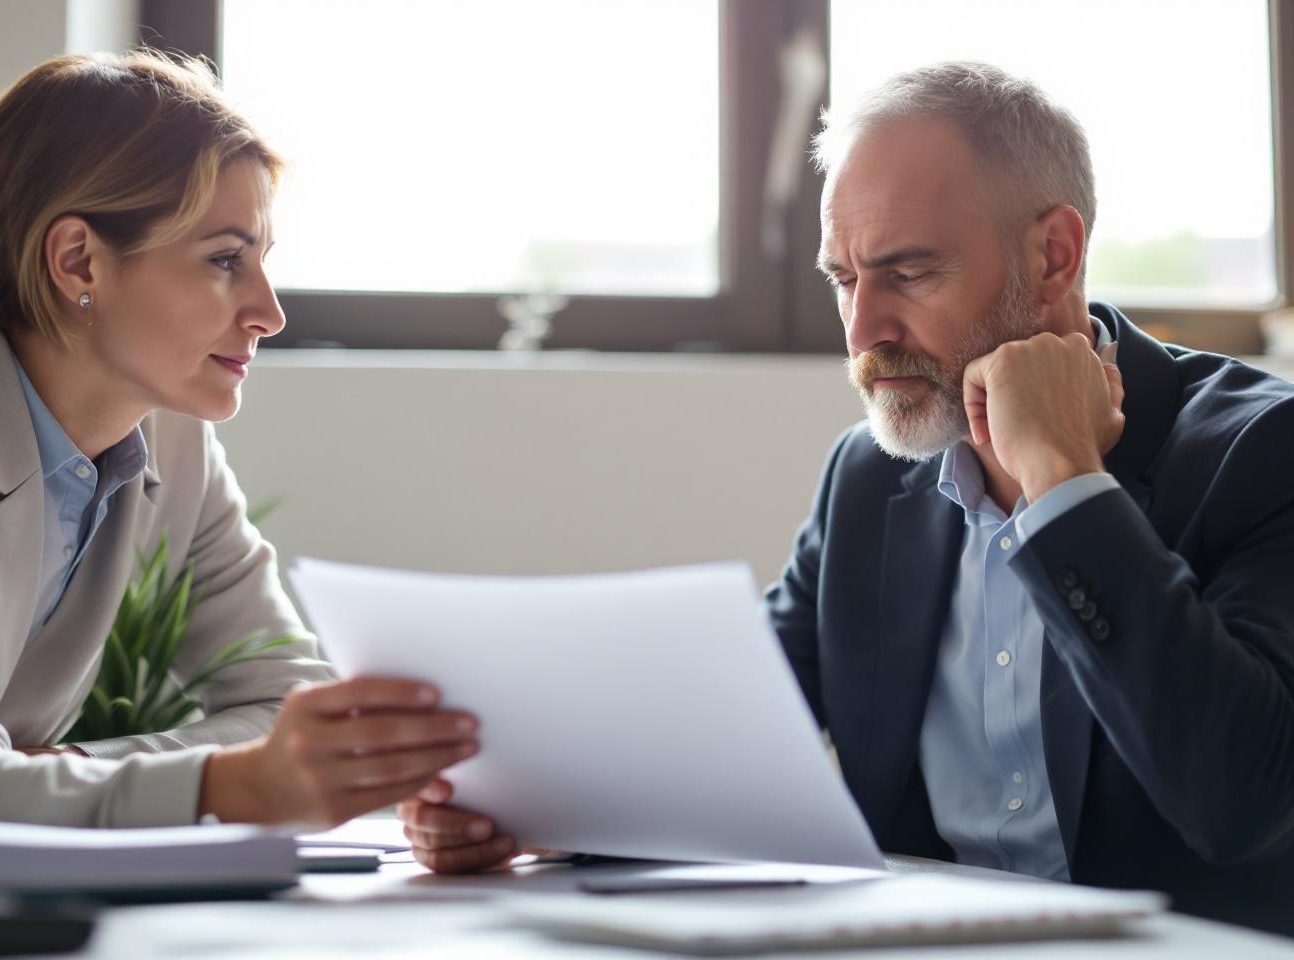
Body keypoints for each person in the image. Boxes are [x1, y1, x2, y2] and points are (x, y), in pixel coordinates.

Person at [395, 61, 1294, 936]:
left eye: (908, 273)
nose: (864, 331)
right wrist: (523, 805)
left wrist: (1064, 480)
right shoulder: (869, 479)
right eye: (843, 280)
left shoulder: (1263, 451)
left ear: (1053, 255)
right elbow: (719, 735)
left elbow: (1241, 800)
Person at [0, 50, 479, 829]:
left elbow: (283, 702)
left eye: (262, 262)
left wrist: (86, 767)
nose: (268, 313)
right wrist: (233, 786)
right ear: (77, 259)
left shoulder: (167, 432)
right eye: (225, 260)